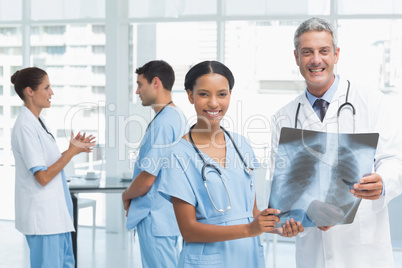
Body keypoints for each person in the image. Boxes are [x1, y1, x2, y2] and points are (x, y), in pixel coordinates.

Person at [270, 17, 402, 267]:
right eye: (307, 52)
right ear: (296, 57)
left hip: (364, 252)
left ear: (336, 54)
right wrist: (303, 212)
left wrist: (383, 181)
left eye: (323, 51)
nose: (316, 60)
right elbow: (283, 186)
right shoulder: (284, 118)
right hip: (313, 254)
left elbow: (395, 159)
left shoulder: (371, 101)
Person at [158, 60, 304, 268]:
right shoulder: (178, 155)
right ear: (190, 95)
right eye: (204, 94)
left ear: (230, 95)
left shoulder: (241, 145)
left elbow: (251, 213)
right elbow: (188, 230)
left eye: (222, 94)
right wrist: (248, 230)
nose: (214, 103)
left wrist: (278, 227)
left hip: (248, 256)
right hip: (207, 260)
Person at [11, 67, 96, 268]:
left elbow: (48, 164)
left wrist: (71, 150)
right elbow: (42, 177)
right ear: (29, 91)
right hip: (43, 221)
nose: (52, 93)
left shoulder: (40, 123)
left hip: (57, 219)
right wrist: (71, 152)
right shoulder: (25, 126)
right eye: (46, 87)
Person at [122, 60, 187, 268]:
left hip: (156, 216)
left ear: (156, 82)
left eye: (140, 84)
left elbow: (148, 177)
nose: (137, 91)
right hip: (166, 216)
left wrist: (126, 195)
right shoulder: (174, 116)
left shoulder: (165, 123)